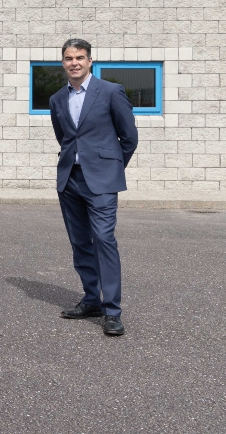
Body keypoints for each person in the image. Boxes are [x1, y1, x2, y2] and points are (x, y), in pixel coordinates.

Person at [49, 39, 139, 336]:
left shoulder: (111, 92)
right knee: (80, 243)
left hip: (101, 180)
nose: (74, 62)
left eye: (79, 57)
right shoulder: (57, 99)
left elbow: (129, 137)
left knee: (103, 240)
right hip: (70, 180)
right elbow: (64, 137)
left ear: (90, 61)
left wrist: (110, 168)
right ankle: (91, 299)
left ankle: (112, 311)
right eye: (68, 58)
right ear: (62, 62)